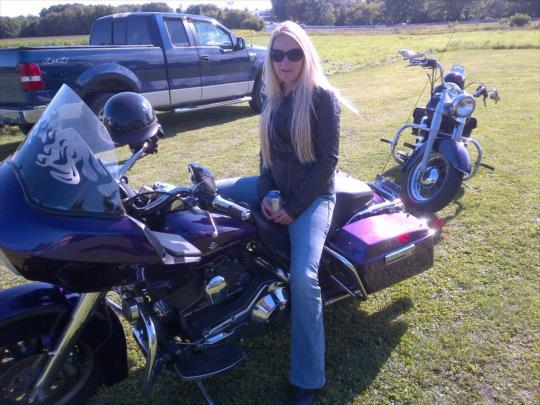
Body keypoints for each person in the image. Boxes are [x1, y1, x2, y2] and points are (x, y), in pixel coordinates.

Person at [218, 20, 356, 404]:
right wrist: (267, 193)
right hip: (278, 190)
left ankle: (309, 378)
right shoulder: (272, 96)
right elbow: (266, 157)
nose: (285, 61)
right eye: (277, 54)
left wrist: (292, 209)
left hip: (313, 199)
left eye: (293, 53)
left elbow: (328, 162)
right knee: (209, 193)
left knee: (303, 278)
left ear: (305, 55)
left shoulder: (322, 97)